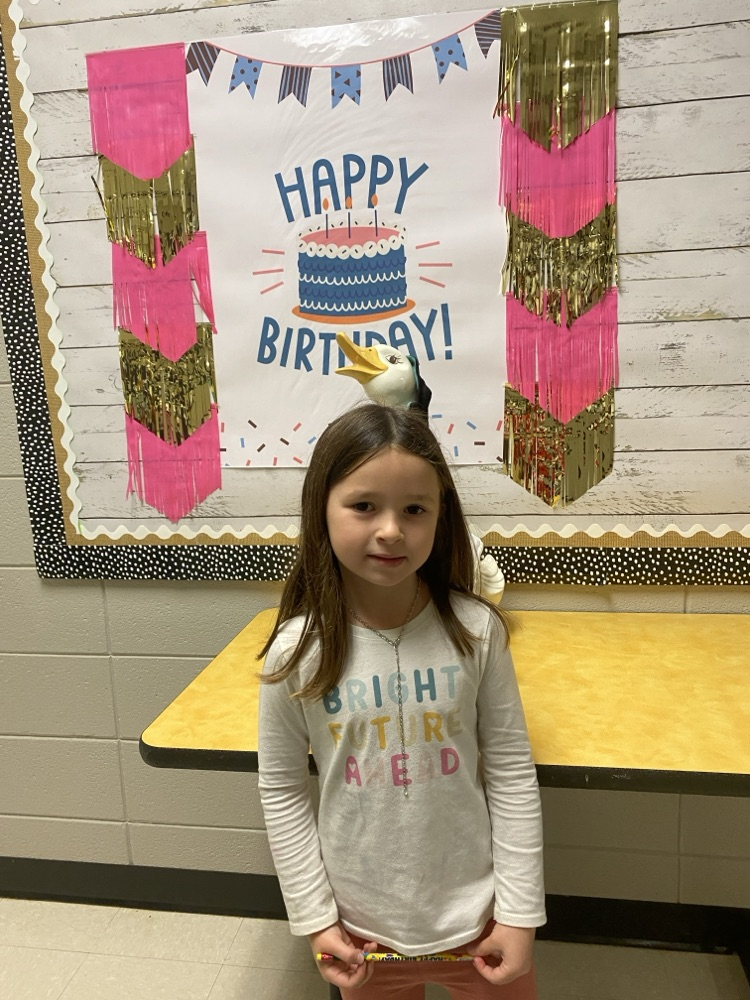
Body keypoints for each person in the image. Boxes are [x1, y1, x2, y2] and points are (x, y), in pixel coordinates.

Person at [258, 404, 545, 999]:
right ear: (322, 509)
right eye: (364, 506)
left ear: (441, 517)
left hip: (481, 926)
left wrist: (519, 913)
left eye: (415, 509)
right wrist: (315, 920)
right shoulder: (297, 649)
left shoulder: (476, 630)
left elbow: (512, 771)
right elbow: (283, 788)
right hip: (363, 939)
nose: (391, 529)